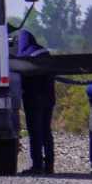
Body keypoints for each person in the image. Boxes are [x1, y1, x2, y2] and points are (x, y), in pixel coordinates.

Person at [18, 31, 55, 175]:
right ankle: (50, 165)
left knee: (35, 133)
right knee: (47, 132)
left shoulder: (25, 56)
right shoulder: (45, 52)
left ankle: (38, 165)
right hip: (49, 100)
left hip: (34, 101)